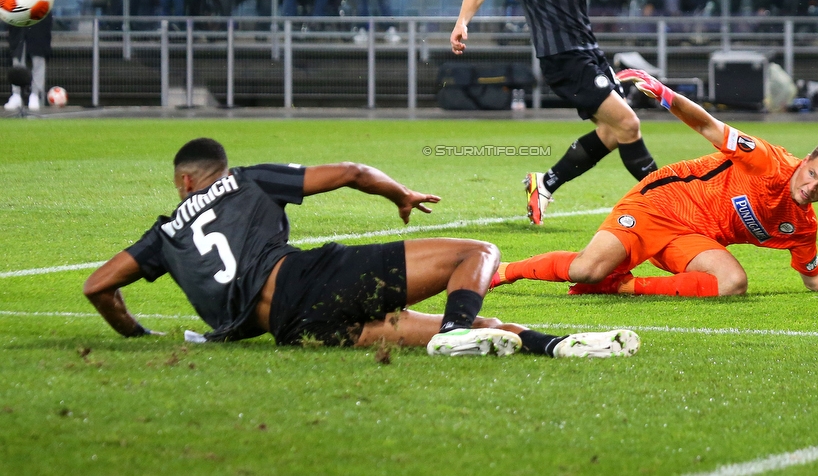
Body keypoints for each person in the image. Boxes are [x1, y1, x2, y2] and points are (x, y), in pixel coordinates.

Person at [82, 138, 641, 358]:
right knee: (478, 254)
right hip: (310, 280)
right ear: (215, 172)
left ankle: (556, 346)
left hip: (293, 328)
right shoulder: (247, 179)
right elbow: (349, 171)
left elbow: (98, 286)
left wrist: (136, 333)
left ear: (183, 182)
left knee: (477, 328)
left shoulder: (165, 233)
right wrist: (399, 193)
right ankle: (455, 332)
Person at [490, 69, 818, 300]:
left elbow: (813, 274)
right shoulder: (768, 161)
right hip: (660, 203)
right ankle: (504, 270)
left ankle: (625, 287)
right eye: (811, 174)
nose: (811, 187)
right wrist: (665, 95)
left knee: (733, 284)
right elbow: (708, 125)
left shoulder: (801, 226)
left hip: (693, 238)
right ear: (804, 162)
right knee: (586, 270)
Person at [450, 0, 682, 225]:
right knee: (629, 125)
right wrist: (462, 22)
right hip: (559, 57)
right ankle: (669, 207)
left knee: (610, 131)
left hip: (589, 50)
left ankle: (545, 184)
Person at [4, 0, 51, 113]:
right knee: (18, 56)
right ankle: (16, 94)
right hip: (18, 17)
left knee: (38, 57)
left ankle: (35, 94)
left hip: (39, 19)